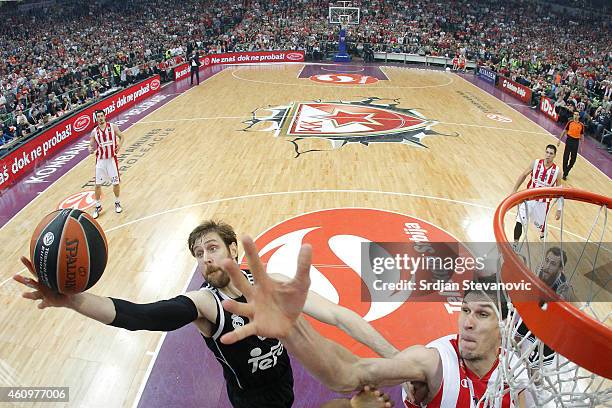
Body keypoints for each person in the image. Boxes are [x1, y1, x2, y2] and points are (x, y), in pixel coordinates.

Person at [14, 220, 398, 408]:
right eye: (198, 254)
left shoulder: (270, 282)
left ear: (233, 249)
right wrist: (74, 300)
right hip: (249, 401)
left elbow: (340, 316)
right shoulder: (205, 304)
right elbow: (139, 315)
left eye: (212, 248)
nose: (205, 258)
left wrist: (397, 358)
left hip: (284, 384)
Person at [216, 236, 528, 408]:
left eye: (482, 314)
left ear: (503, 326)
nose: (468, 323)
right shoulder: (435, 362)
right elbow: (349, 373)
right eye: (465, 311)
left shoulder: (514, 369)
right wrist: (292, 331)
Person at [511, 144, 562, 243]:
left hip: (542, 203)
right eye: (547, 152)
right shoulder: (536, 163)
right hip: (528, 199)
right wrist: (514, 190)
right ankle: (515, 245)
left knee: (540, 228)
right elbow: (523, 175)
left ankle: (543, 237)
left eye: (551, 153)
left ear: (555, 155)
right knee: (519, 221)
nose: (548, 155)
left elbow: (560, 191)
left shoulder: (557, 172)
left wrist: (559, 209)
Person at [88, 110, 124, 218]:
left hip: (111, 159)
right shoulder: (94, 132)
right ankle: (98, 206)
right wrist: (90, 149)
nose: (100, 118)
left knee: (116, 183)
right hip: (100, 161)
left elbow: (122, 137)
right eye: (98, 116)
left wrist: (119, 146)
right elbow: (90, 145)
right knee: (97, 185)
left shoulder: (113, 127)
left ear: (105, 116)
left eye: (101, 116)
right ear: (96, 118)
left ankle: (117, 202)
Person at [557, 111, 584, 180]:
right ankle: (565, 173)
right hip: (569, 140)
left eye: (577, 115)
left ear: (579, 116)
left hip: (576, 142)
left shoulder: (581, 125)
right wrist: (559, 140)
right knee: (566, 157)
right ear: (573, 115)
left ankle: (566, 170)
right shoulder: (570, 122)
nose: (575, 116)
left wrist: (581, 146)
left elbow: (582, 135)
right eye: (574, 114)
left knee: (573, 159)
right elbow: (564, 131)